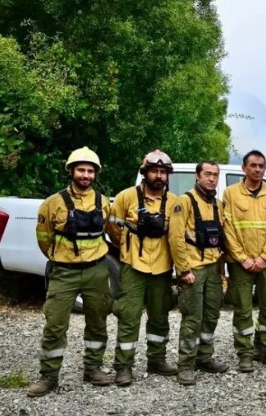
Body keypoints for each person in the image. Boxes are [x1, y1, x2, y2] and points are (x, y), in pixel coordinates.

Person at [28, 147, 113, 397]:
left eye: (90, 171)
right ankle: (49, 376)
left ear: (95, 174)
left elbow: (107, 231)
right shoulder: (52, 204)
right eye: (81, 169)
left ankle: (93, 368)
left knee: (98, 322)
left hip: (97, 269)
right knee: (55, 324)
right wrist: (61, 258)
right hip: (64, 272)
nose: (85, 175)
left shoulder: (103, 202)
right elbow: (44, 239)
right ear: (71, 171)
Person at [107, 150, 177, 386]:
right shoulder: (126, 197)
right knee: (129, 316)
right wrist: (127, 247)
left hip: (162, 269)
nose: (158, 176)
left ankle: (157, 360)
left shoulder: (174, 202)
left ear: (167, 176)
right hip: (133, 266)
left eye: (163, 172)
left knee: (160, 317)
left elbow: (177, 236)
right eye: (154, 171)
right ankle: (123, 367)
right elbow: (113, 229)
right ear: (144, 172)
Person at [222, 150, 266, 372]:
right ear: (244, 168)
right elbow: (228, 229)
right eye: (253, 165)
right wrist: (243, 258)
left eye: (261, 166)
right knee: (243, 309)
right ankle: (245, 354)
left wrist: (263, 257)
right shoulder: (231, 194)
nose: (258, 169)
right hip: (241, 264)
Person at [169, 160, 229, 385]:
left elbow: (222, 240)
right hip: (193, 268)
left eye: (215, 174)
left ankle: (205, 357)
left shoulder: (218, 204)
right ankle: (185, 365)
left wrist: (223, 271)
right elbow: (175, 238)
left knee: (212, 314)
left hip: (214, 268)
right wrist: (183, 270)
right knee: (192, 317)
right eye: (207, 174)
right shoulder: (184, 202)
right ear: (197, 176)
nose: (212, 178)